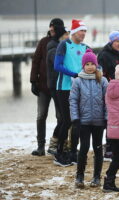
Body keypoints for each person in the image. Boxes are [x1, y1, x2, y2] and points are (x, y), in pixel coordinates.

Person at [69, 49, 108, 188]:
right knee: (84, 148)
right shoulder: (78, 81)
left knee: (98, 149)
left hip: (99, 122)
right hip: (83, 122)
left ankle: (96, 177)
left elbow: (107, 101)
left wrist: (106, 118)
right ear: (83, 66)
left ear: (96, 65)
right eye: (87, 64)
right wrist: (75, 118)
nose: (90, 66)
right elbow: (73, 100)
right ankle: (80, 176)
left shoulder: (102, 80)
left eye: (93, 64)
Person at [54, 19, 88, 166]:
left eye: (85, 31)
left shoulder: (86, 47)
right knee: (67, 120)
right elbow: (57, 65)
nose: (84, 34)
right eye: (81, 31)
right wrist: (74, 74)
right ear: (74, 32)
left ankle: (73, 152)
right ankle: (59, 152)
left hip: (80, 88)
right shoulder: (64, 45)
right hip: (64, 88)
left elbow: (93, 64)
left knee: (78, 121)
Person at [30, 18, 64, 156]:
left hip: (58, 86)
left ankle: (59, 145)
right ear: (50, 28)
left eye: (56, 27)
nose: (53, 29)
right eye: (52, 27)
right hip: (43, 86)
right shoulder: (43, 42)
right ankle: (40, 146)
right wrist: (33, 81)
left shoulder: (63, 42)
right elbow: (36, 60)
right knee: (41, 116)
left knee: (61, 117)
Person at [97, 30, 119, 161]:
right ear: (111, 42)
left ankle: (117, 149)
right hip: (109, 93)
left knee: (118, 121)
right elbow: (100, 75)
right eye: (117, 41)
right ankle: (109, 149)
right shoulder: (104, 55)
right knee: (110, 121)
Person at [46, 25, 69, 155]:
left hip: (61, 87)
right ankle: (55, 144)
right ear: (61, 36)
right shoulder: (54, 49)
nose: (68, 37)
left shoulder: (61, 47)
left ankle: (62, 143)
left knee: (65, 118)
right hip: (57, 87)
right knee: (64, 118)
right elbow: (59, 67)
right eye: (66, 35)